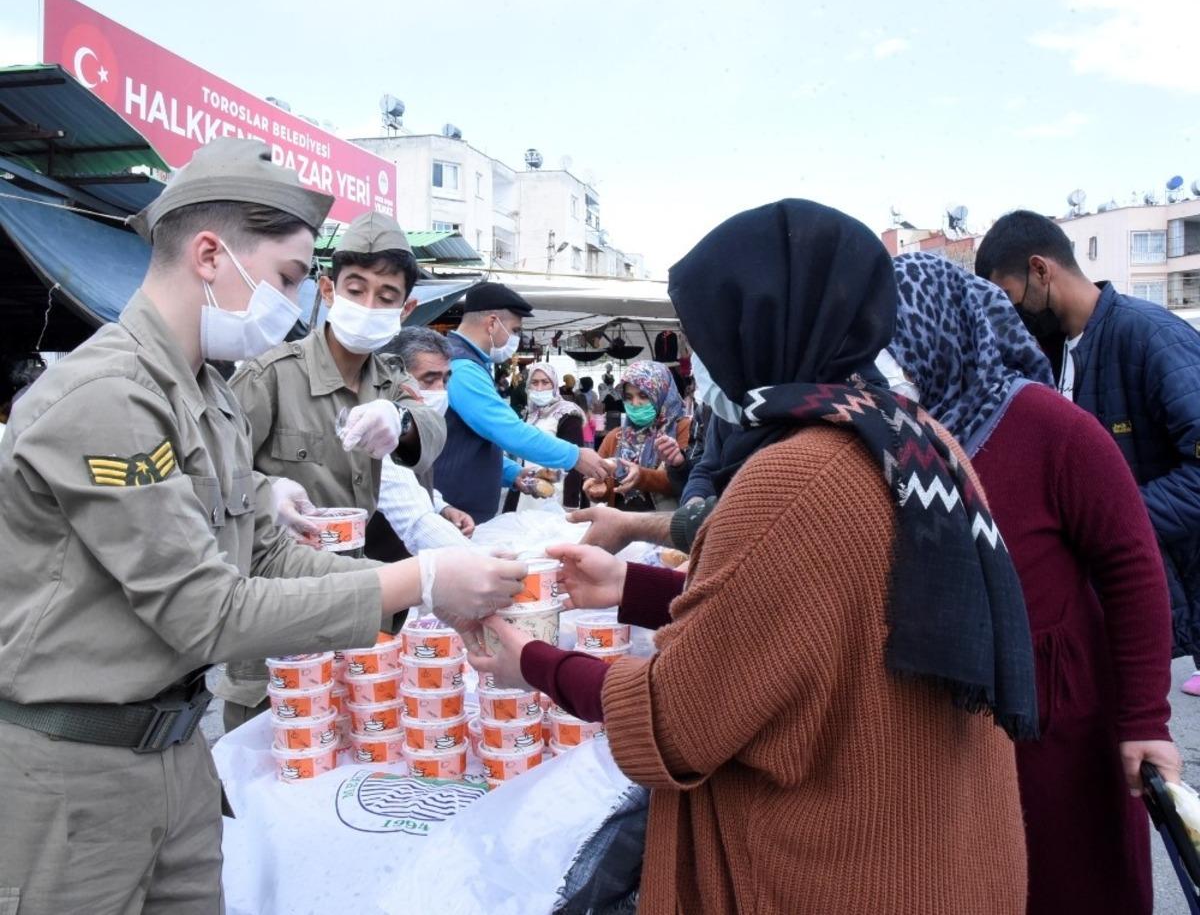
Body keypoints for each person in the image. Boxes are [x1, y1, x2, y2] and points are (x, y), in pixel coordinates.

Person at [0, 139, 526, 915]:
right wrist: (421, 579)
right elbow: (206, 608)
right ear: (211, 254)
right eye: (288, 278)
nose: (296, 302)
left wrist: (420, 598)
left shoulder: (205, 394)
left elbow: (269, 550)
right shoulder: (110, 397)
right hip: (76, 768)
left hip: (178, 750)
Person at [473, 199, 1036, 914]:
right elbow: (801, 621)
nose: (701, 360)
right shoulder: (912, 440)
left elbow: (675, 717)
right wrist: (630, 585)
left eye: (708, 333)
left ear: (760, 325)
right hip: (943, 855)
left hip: (845, 872)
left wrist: (531, 661)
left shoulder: (798, 474)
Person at [891, 251, 1179, 914]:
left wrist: (1146, 719)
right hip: (955, 730)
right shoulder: (904, 441)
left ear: (939, 332)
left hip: (1064, 731)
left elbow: (1133, 566)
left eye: (895, 342)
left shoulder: (1052, 428)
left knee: (1075, 884)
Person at [216, 211, 446, 730]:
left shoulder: (388, 381)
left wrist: (401, 420)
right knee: (268, 763)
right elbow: (208, 468)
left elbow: (433, 429)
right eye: (356, 289)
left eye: (386, 297)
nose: (369, 306)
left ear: (406, 308)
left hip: (359, 608)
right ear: (326, 289)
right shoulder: (271, 374)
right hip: (278, 614)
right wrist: (263, 488)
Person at [975, 211, 1200, 692]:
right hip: (1107, 601)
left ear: (1040, 270)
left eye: (1009, 297)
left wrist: (1111, 519)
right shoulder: (1047, 354)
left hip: (1166, 581)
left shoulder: (1149, 337)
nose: (1007, 314)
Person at [434, 282, 610, 523]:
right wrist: (575, 456)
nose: (516, 338)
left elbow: (474, 443)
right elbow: (506, 430)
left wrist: (513, 473)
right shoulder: (461, 367)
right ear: (492, 323)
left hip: (461, 512)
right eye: (515, 330)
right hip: (452, 513)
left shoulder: (470, 362)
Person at [375, 328, 477, 551]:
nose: (440, 390)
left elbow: (415, 484)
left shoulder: (423, 428)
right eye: (429, 380)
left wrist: (441, 507)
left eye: (445, 380)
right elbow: (411, 515)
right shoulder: (378, 429)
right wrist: (478, 560)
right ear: (394, 377)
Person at [584, 360, 691, 511]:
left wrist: (641, 477)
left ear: (662, 392)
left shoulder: (683, 428)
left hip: (665, 527)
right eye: (628, 397)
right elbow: (606, 486)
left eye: (643, 395)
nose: (635, 403)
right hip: (621, 528)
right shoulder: (616, 437)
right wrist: (598, 488)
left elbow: (686, 481)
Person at [504, 361, 586, 511]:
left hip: (556, 494)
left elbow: (576, 462)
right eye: (534, 383)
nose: (539, 388)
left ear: (554, 385)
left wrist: (570, 503)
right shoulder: (529, 414)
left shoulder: (567, 414)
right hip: (528, 490)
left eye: (545, 382)